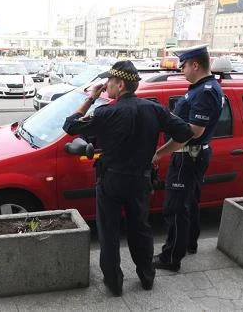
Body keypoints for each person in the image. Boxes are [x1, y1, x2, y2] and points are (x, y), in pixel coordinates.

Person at [63, 61, 193, 296]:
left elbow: (70, 125)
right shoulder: (153, 109)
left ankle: (114, 282)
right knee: (140, 229)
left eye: (109, 83)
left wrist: (92, 98)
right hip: (140, 181)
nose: (106, 87)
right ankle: (146, 277)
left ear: (120, 84)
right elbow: (185, 133)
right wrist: (160, 153)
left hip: (110, 181)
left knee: (109, 233)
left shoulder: (106, 112)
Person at [152, 45, 224, 272]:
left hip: (187, 158)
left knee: (175, 209)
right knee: (189, 203)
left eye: (183, 66)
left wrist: (159, 153)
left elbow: (193, 131)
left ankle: (171, 258)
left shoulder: (204, 92)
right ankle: (189, 243)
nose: (182, 70)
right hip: (194, 156)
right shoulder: (205, 87)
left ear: (195, 64)